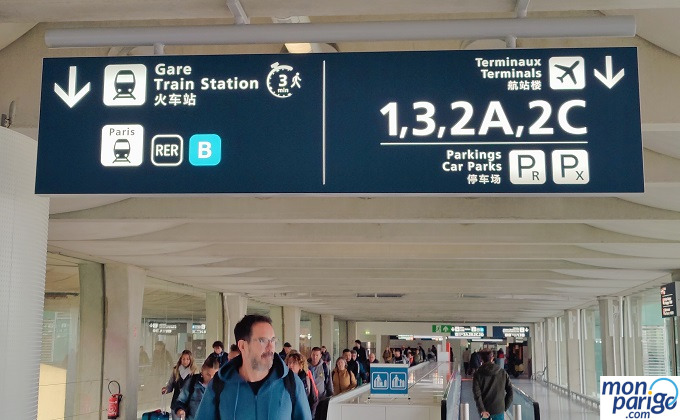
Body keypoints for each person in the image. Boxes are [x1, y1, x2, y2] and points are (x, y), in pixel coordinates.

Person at [194, 315, 311, 419]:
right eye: (262, 340)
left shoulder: (290, 383)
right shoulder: (219, 385)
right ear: (243, 346)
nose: (271, 347)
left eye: (273, 340)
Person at [174, 355, 219, 420]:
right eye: (208, 375)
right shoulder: (192, 382)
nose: (211, 378)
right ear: (202, 370)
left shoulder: (220, 386)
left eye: (214, 375)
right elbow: (181, 401)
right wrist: (180, 410)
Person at [473, 350, 513, 420]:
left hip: (485, 411)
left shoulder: (477, 374)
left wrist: (482, 410)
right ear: (492, 358)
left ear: (481, 359)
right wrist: (504, 407)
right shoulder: (503, 372)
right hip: (499, 409)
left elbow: (477, 394)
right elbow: (510, 392)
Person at [162, 350, 198, 420]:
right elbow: (170, 385)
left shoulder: (195, 372)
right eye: (183, 359)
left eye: (188, 359)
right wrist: (166, 389)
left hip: (189, 405)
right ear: (180, 359)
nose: (185, 361)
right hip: (176, 403)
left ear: (191, 360)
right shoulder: (176, 370)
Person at [286, 351, 319, 417]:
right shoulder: (284, 380)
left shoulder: (307, 380)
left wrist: (310, 416)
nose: (291, 365)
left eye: (294, 363)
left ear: (300, 366)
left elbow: (314, 400)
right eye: (289, 363)